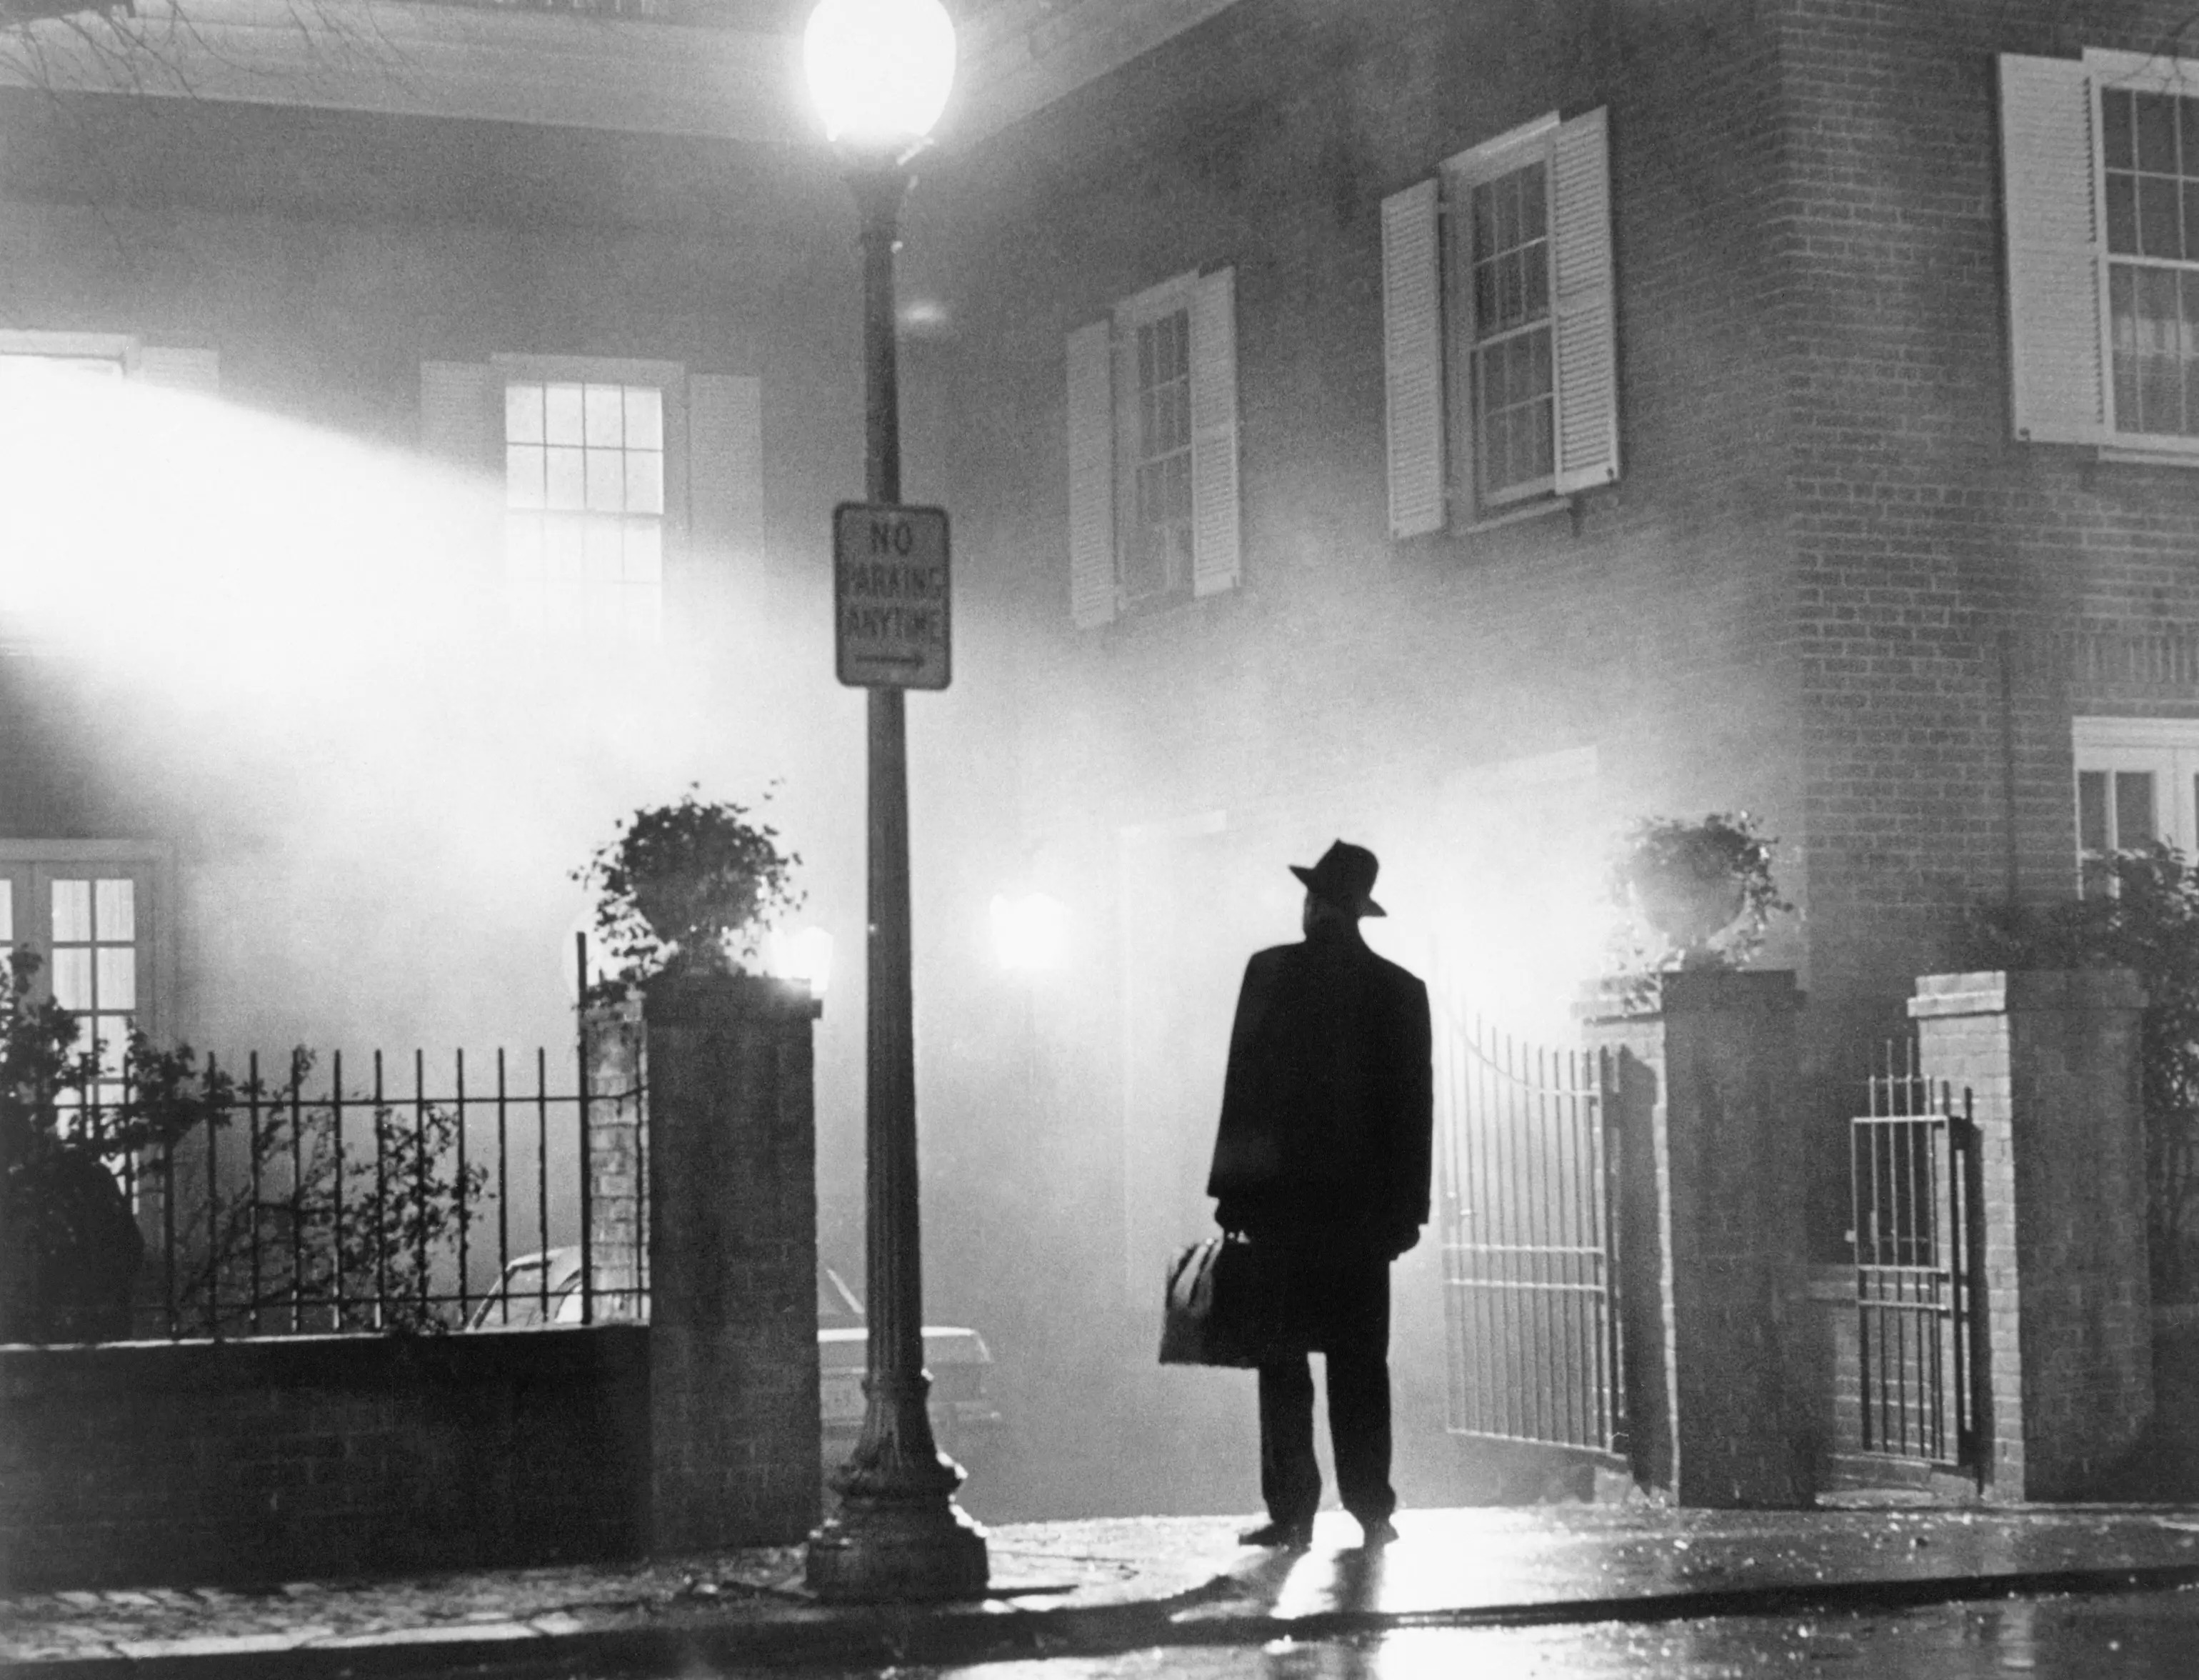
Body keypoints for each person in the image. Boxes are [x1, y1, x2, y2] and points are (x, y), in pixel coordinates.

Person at [1206, 839, 1433, 1550]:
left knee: (1281, 1363)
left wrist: (1231, 1197)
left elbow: (1244, 1091)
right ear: (1359, 908)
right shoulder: (1400, 991)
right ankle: (1371, 1508)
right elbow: (1413, 1112)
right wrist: (1409, 1211)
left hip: (1280, 1208)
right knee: (1359, 1364)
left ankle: (1291, 1511)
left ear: (1312, 903)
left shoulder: (1269, 972)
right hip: (1363, 1216)